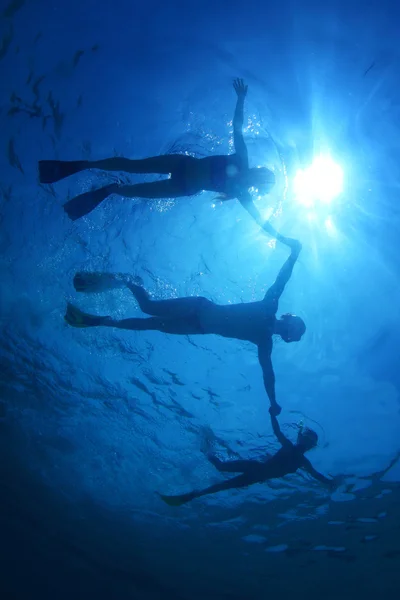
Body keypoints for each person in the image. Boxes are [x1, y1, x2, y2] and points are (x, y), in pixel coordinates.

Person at [64, 233, 305, 416]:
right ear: (289, 317)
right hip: (199, 308)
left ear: (288, 338)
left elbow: (268, 374)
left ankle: (102, 322)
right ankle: (129, 280)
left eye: (297, 333)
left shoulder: (264, 342)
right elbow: (282, 278)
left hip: (197, 328)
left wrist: (273, 402)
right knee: (148, 308)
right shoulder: (270, 306)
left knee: (151, 325)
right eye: (298, 325)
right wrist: (293, 255)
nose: (296, 330)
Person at [38, 78, 276, 227]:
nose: (256, 174)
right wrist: (241, 99)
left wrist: (284, 240)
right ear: (259, 170)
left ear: (258, 183)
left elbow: (260, 222)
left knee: (136, 192)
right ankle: (86, 165)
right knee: (132, 166)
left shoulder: (242, 194)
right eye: (261, 172)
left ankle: (111, 189)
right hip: (182, 165)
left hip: (183, 187)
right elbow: (237, 128)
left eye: (261, 177)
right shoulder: (242, 161)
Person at [158, 413, 334, 506]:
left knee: (220, 484)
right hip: (256, 469)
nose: (305, 442)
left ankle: (192, 495)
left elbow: (317, 476)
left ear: (309, 445)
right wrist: (272, 415)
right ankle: (207, 445)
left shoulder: (301, 459)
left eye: (308, 441)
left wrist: (331, 483)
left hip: (256, 476)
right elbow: (277, 432)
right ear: (302, 440)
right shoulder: (296, 453)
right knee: (220, 468)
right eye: (306, 438)